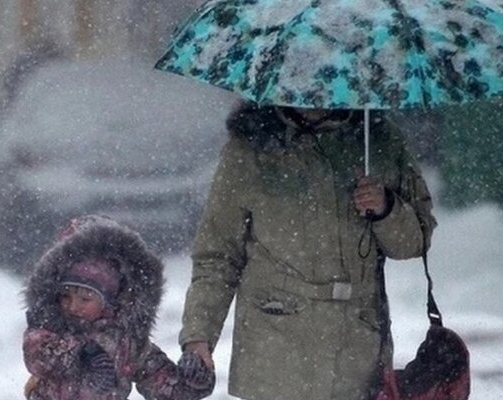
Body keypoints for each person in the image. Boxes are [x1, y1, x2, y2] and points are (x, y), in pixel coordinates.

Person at [178, 102, 437, 400]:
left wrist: (385, 208)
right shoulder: (251, 148)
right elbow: (218, 256)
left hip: (358, 353)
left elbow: (414, 243)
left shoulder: (379, 141)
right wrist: (199, 338)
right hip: (275, 354)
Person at [22, 215, 215, 400]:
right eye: (65, 296)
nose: (73, 306)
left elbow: (162, 385)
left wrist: (193, 381)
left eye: (85, 299)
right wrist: (81, 353)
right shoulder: (49, 329)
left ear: (109, 300)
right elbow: (39, 357)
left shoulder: (126, 342)